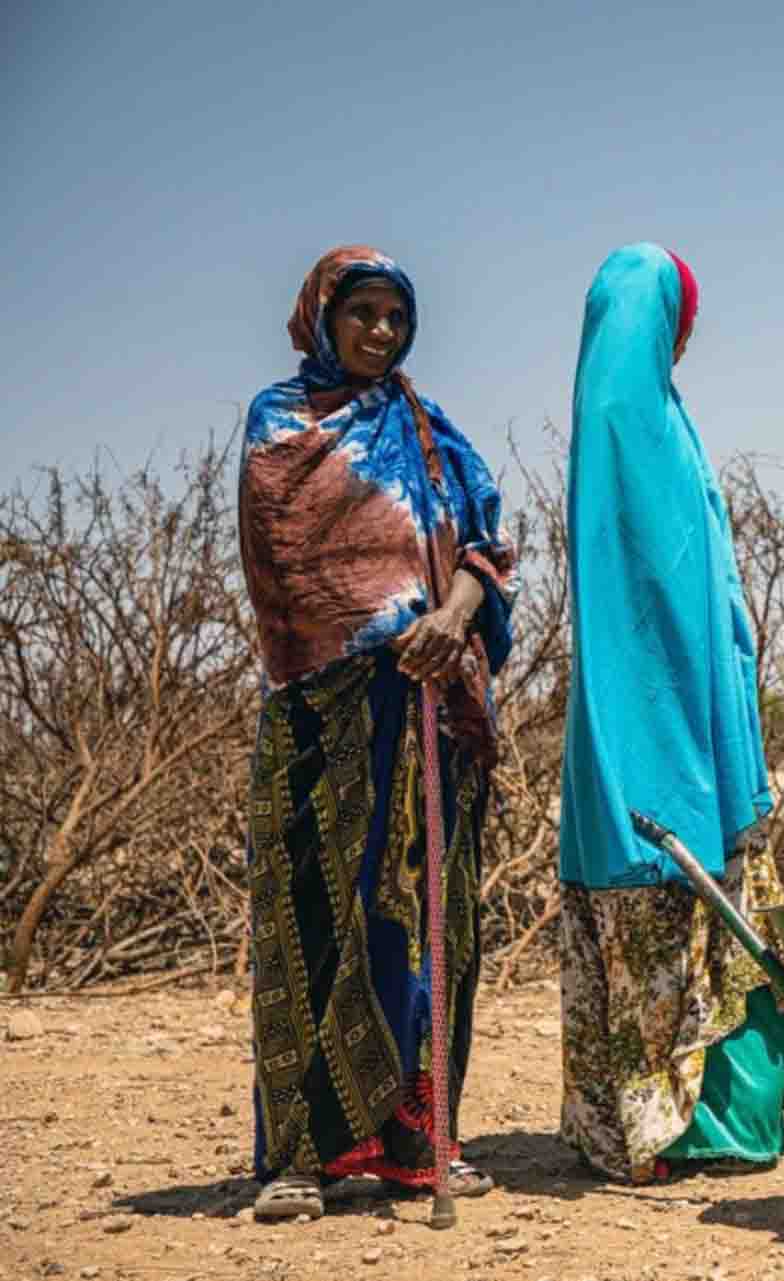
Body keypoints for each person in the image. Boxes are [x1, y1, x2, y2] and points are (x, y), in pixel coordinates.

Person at [238, 246, 518, 1221]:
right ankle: (306, 1157)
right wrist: (402, 615)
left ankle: (420, 1141)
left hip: (432, 711)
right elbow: (287, 560)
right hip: (326, 718)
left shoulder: (430, 432)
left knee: (428, 924)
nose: (381, 333)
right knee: (314, 920)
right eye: (362, 312)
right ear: (322, 315)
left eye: (396, 316)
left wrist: (454, 614)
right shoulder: (280, 426)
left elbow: (486, 541)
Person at [557, 243, 784, 1185]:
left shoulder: (657, 421)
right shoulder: (631, 430)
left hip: (685, 723)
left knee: (708, 909)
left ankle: (690, 1120)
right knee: (669, 897)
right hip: (658, 732)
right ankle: (665, 1127)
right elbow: (651, 614)